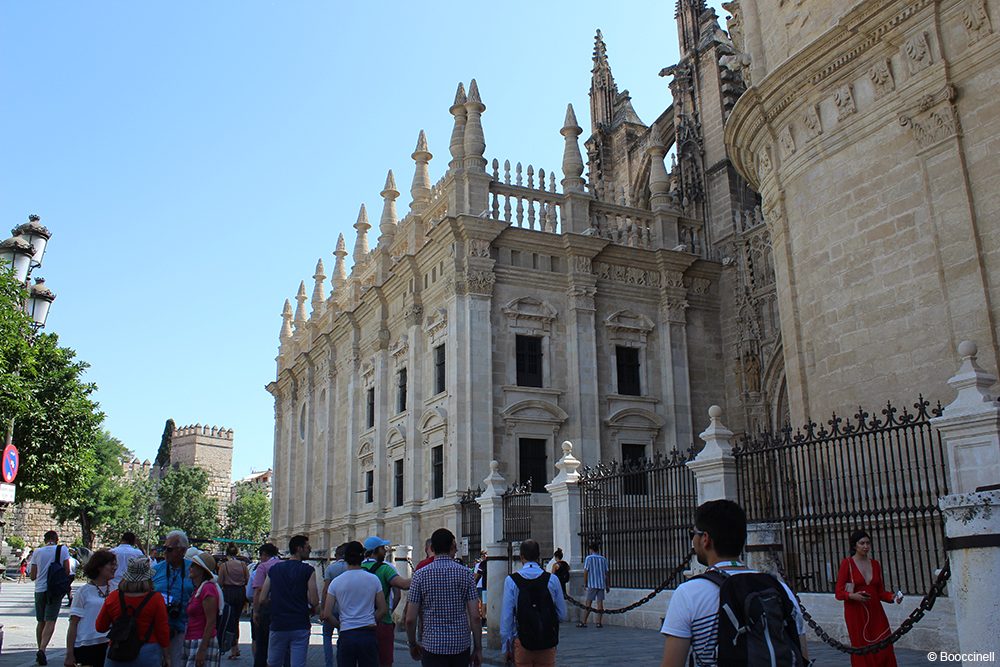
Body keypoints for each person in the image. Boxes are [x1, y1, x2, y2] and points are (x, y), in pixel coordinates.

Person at [659, 499, 810, 667]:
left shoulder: (689, 593)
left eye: (693, 533)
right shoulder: (779, 588)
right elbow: (801, 655)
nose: (692, 540)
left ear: (705, 539)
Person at [405, 528, 482, 667]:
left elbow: (410, 619)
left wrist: (412, 644)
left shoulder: (420, 575)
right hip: (460, 645)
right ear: (452, 547)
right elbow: (475, 617)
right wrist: (478, 648)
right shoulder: (466, 574)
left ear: (432, 548)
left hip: (432, 646)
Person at [835, 530, 903, 667]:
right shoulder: (846, 564)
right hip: (856, 612)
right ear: (855, 546)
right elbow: (838, 592)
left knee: (884, 644)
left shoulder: (875, 564)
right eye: (862, 543)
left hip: (876, 611)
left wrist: (892, 597)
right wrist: (853, 596)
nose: (865, 546)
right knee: (862, 647)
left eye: (867, 543)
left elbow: (880, 592)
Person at [500, 539, 566, 667]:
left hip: (522, 641)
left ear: (521, 557)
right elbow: (562, 614)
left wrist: (506, 646)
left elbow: (507, 617)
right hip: (547, 641)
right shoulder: (552, 579)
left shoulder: (511, 581)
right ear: (538, 556)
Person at [96, 557, 171, 667]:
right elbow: (162, 630)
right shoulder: (156, 599)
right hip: (148, 651)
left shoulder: (113, 597)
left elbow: (100, 627)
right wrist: (167, 655)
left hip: (118, 650)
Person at [256, 535, 318, 667]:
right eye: (308, 547)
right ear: (299, 548)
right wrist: (312, 608)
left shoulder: (274, 570)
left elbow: (262, 598)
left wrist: (275, 603)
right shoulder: (308, 570)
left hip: (278, 623)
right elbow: (314, 600)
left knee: (273, 663)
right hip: (300, 624)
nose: (310, 550)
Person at [323, 541, 386, 667]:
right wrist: (370, 620)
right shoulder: (373, 579)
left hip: (347, 634)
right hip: (368, 633)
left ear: (345, 558)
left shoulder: (336, 582)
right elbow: (383, 609)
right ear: (362, 557)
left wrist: (340, 625)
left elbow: (327, 614)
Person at [361, 536, 411, 667]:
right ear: (376, 550)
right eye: (383, 548)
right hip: (382, 622)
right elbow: (404, 585)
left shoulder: (357, 568)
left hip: (360, 623)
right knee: (385, 661)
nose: (385, 551)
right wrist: (423, 574)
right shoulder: (385, 568)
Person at [65, 549, 116, 667]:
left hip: (110, 644)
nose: (114, 568)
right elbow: (73, 624)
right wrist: (69, 653)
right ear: (99, 567)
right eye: (111, 564)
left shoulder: (117, 589)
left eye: (115, 564)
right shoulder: (83, 592)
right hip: (86, 645)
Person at [30, 530, 72, 665]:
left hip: (40, 589)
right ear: (56, 539)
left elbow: (32, 575)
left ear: (44, 539)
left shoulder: (37, 552)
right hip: (54, 590)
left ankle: (39, 649)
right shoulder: (62, 550)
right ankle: (42, 649)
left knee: (40, 621)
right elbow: (67, 570)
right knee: (50, 620)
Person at [153, 530, 195, 667]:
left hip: (183, 629)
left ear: (182, 550)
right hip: (156, 629)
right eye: (164, 548)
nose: (165, 552)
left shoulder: (193, 570)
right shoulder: (155, 570)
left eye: (169, 549)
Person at [184, 550, 222, 667]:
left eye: (194, 565)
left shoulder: (208, 589)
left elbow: (211, 621)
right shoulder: (199, 589)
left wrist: (202, 649)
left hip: (201, 641)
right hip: (193, 639)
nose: (190, 568)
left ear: (201, 570)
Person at [250, 543, 281, 667]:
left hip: (266, 609)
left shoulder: (263, 567)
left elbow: (257, 591)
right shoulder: (283, 565)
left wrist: (256, 611)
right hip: (281, 609)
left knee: (262, 645)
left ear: (264, 554)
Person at [218, 545, 249, 660]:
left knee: (229, 621)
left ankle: (233, 648)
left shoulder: (224, 566)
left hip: (228, 593)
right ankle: (235, 646)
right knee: (236, 619)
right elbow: (247, 580)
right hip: (240, 593)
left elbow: (220, 582)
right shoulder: (243, 565)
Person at [321, 544, 349, 667]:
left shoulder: (331, 569)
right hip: (345, 609)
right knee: (342, 637)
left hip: (330, 608)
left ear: (336, 555)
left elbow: (325, 590)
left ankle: (329, 663)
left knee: (327, 636)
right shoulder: (350, 568)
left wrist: (322, 608)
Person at [577, 542, 609, 628]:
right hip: (601, 584)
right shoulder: (603, 559)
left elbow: (586, 571)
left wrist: (585, 583)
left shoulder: (589, 558)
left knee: (588, 603)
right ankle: (599, 622)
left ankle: (584, 621)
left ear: (591, 549)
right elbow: (606, 573)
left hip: (592, 583)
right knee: (600, 604)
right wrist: (607, 585)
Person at [472, 551, 487, 627]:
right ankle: (484, 618)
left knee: (484, 603)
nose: (485, 556)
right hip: (484, 587)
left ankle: (484, 619)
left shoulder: (483, 564)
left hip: (485, 586)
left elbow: (477, 576)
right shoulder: (482, 564)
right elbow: (477, 575)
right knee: (484, 603)